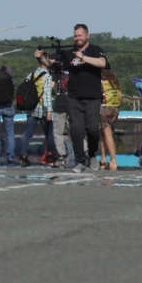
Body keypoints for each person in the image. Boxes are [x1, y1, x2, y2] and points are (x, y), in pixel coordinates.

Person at [42, 24, 107, 172]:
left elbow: (102, 63)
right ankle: (79, 161)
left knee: (92, 129)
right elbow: (51, 63)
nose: (77, 38)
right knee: (76, 129)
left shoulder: (95, 50)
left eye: (80, 35)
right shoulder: (70, 53)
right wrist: (41, 57)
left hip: (93, 96)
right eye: (75, 36)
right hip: (74, 97)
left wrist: (83, 57)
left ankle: (91, 154)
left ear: (87, 35)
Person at [18, 63, 55, 167]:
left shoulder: (32, 74)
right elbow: (47, 94)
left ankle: (23, 155)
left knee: (27, 133)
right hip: (42, 107)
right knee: (49, 133)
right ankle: (55, 155)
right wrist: (49, 110)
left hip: (32, 107)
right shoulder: (47, 76)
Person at [98, 69, 121, 171]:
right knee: (103, 134)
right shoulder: (115, 83)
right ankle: (103, 158)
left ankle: (113, 160)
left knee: (107, 134)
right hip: (115, 108)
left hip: (104, 108)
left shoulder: (102, 83)